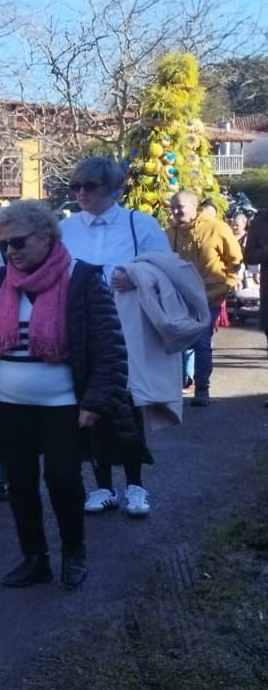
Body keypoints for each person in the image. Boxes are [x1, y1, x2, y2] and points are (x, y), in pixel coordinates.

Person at [0, 200, 130, 591]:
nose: (10, 252)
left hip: (63, 403)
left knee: (62, 477)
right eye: (3, 246)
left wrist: (96, 400)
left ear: (46, 237)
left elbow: (109, 346)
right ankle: (35, 558)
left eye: (17, 242)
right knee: (19, 482)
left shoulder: (82, 278)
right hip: (7, 400)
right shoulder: (1, 280)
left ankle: (74, 552)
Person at [58, 156, 169, 517]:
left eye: (89, 186)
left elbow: (166, 270)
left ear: (112, 189)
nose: (81, 193)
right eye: (76, 186)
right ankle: (103, 486)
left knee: (129, 407)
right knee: (90, 405)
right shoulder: (66, 229)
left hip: (128, 328)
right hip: (83, 329)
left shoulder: (141, 224)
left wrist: (136, 276)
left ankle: (136, 486)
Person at [168, 190, 242, 408]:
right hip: (180, 297)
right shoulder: (170, 232)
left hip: (209, 295)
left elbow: (235, 258)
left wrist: (228, 282)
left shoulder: (216, 228)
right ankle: (179, 384)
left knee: (201, 341)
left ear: (194, 206)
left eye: (179, 206)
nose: (175, 211)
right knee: (177, 340)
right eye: (172, 206)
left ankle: (202, 388)